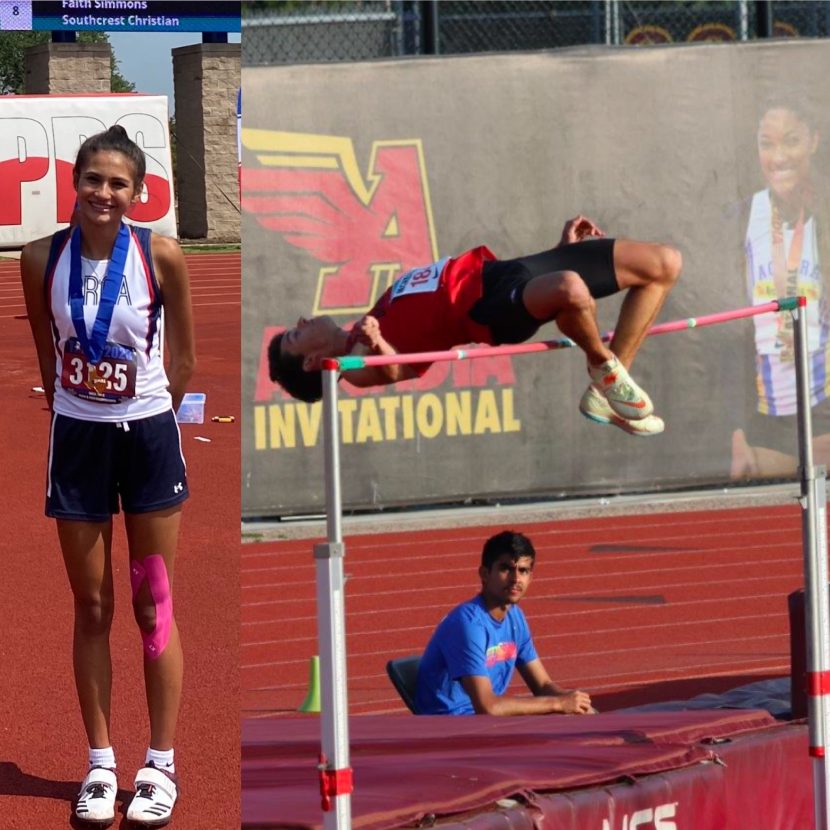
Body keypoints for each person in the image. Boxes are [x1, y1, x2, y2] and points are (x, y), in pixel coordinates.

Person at [20, 125, 195, 826]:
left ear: (137, 192)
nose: (103, 193)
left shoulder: (164, 254)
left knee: (154, 606)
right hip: (78, 444)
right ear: (76, 182)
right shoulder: (39, 259)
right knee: (91, 608)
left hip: (148, 438)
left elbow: (183, 361)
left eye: (118, 183)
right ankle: (100, 763)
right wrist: (83, 406)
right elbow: (46, 355)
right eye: (93, 179)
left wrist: (147, 409)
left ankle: (161, 762)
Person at [268, 216, 680, 436]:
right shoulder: (352, 365)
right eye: (295, 334)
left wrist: (560, 252)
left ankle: (604, 392)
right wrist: (379, 346)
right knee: (571, 290)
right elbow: (400, 371)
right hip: (489, 311)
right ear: (313, 362)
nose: (301, 321)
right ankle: (602, 365)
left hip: (507, 272)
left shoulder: (370, 316)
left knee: (663, 263)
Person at [731, 98, 830, 478]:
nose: (778, 157)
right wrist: (737, 429)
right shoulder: (741, 217)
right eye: (766, 143)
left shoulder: (823, 211)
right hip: (767, 407)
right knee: (777, 517)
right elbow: (731, 332)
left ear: (814, 142)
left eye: (791, 141)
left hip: (823, 397)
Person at [414, 530, 594, 716]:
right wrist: (558, 703)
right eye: (505, 568)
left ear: (531, 577)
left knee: (580, 718)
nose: (515, 579)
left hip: (486, 723)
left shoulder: (516, 618)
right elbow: (488, 707)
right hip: (450, 727)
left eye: (523, 570)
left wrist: (577, 704)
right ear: (484, 573)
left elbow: (543, 685)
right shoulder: (468, 624)